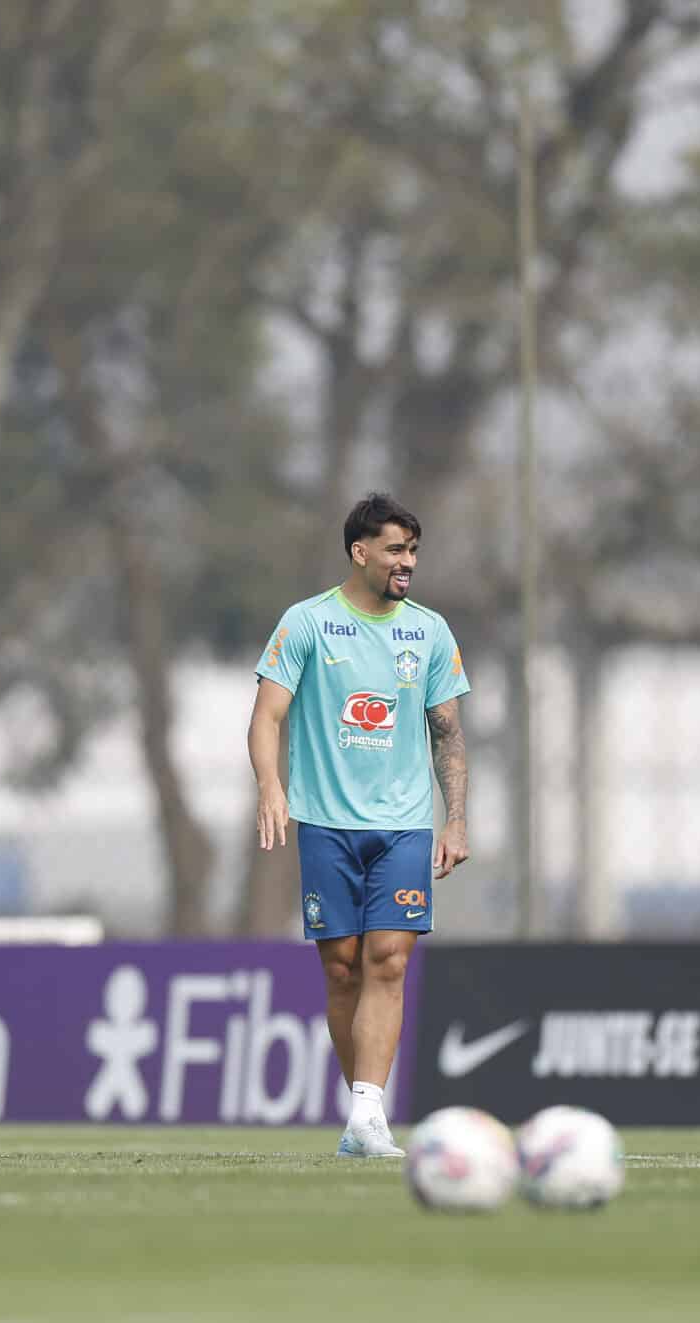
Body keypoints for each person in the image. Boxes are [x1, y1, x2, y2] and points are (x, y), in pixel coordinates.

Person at [247, 493, 470, 1158]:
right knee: (342, 968)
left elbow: (449, 735)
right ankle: (364, 1114)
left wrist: (453, 818)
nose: (408, 562)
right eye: (397, 549)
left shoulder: (428, 631)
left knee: (388, 960)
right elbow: (267, 715)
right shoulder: (308, 623)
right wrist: (270, 787)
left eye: (414, 551)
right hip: (324, 822)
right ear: (361, 551)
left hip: (403, 825)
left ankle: (368, 1109)